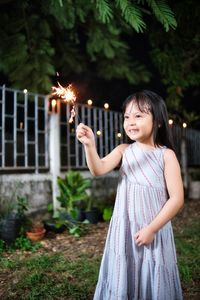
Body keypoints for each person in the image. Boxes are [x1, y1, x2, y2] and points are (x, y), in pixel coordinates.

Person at [76, 90, 184, 300]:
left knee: (153, 272)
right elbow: (98, 169)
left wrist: (152, 229)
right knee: (126, 270)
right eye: (127, 116)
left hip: (153, 228)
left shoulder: (166, 155)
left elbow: (177, 199)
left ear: (158, 121)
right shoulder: (124, 150)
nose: (130, 122)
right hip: (125, 228)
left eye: (138, 116)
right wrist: (90, 146)